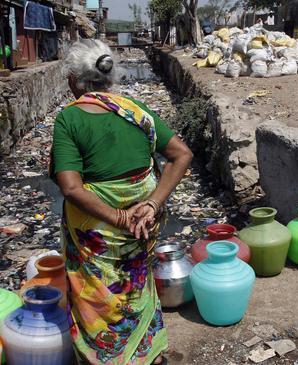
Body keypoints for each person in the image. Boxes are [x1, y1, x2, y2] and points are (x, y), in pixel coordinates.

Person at [52, 39, 193, 365]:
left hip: (101, 232)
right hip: (143, 225)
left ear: (74, 80)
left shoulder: (69, 120)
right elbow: (182, 154)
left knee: (98, 296)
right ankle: (150, 354)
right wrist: (152, 204)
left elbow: (71, 189)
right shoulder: (137, 112)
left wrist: (118, 218)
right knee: (137, 287)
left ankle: (110, 358)